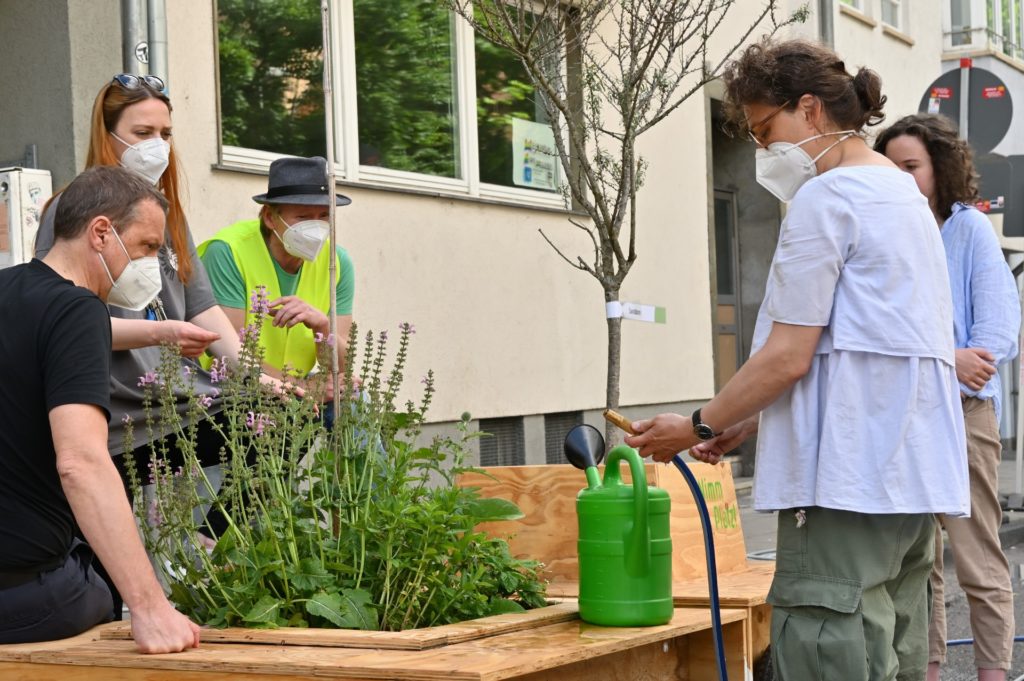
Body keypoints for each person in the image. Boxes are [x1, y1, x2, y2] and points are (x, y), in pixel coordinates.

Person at [624, 38, 970, 680]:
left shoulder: (827, 198)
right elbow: (870, 346)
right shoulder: (904, 198)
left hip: (844, 478)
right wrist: (749, 421)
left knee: (824, 647)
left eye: (765, 129)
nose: (762, 150)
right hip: (911, 472)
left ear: (809, 109)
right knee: (890, 655)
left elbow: (789, 356)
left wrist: (696, 425)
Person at [33, 73, 287, 615]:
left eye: (166, 132)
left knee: (287, 419)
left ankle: (204, 545)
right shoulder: (71, 213)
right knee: (103, 589)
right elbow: (66, 323)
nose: (158, 146)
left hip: (180, 399)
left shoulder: (168, 213)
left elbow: (202, 307)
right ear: (109, 135)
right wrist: (159, 331)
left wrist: (255, 375)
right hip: (113, 410)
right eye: (142, 130)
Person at [0, 165, 200, 652]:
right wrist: (151, 608)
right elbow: (81, 462)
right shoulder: (78, 310)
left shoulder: (6, 288)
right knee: (97, 590)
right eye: (148, 246)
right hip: (20, 591)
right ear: (101, 233)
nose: (152, 263)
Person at [877, 113, 1019, 681]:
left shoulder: (970, 230)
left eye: (911, 166)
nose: (900, 177)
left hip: (964, 416)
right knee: (919, 562)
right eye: (890, 167)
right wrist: (943, 356)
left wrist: (937, 362)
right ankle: (928, 671)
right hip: (902, 415)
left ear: (940, 168)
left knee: (978, 556)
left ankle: (991, 674)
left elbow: (996, 339)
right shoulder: (880, 234)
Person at [198, 156, 354, 398]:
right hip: (233, 390)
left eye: (324, 216)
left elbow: (343, 366)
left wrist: (322, 327)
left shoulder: (337, 261)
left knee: (355, 396)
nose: (316, 228)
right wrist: (300, 388)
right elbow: (229, 357)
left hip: (298, 385)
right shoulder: (228, 251)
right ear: (270, 217)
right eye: (303, 217)